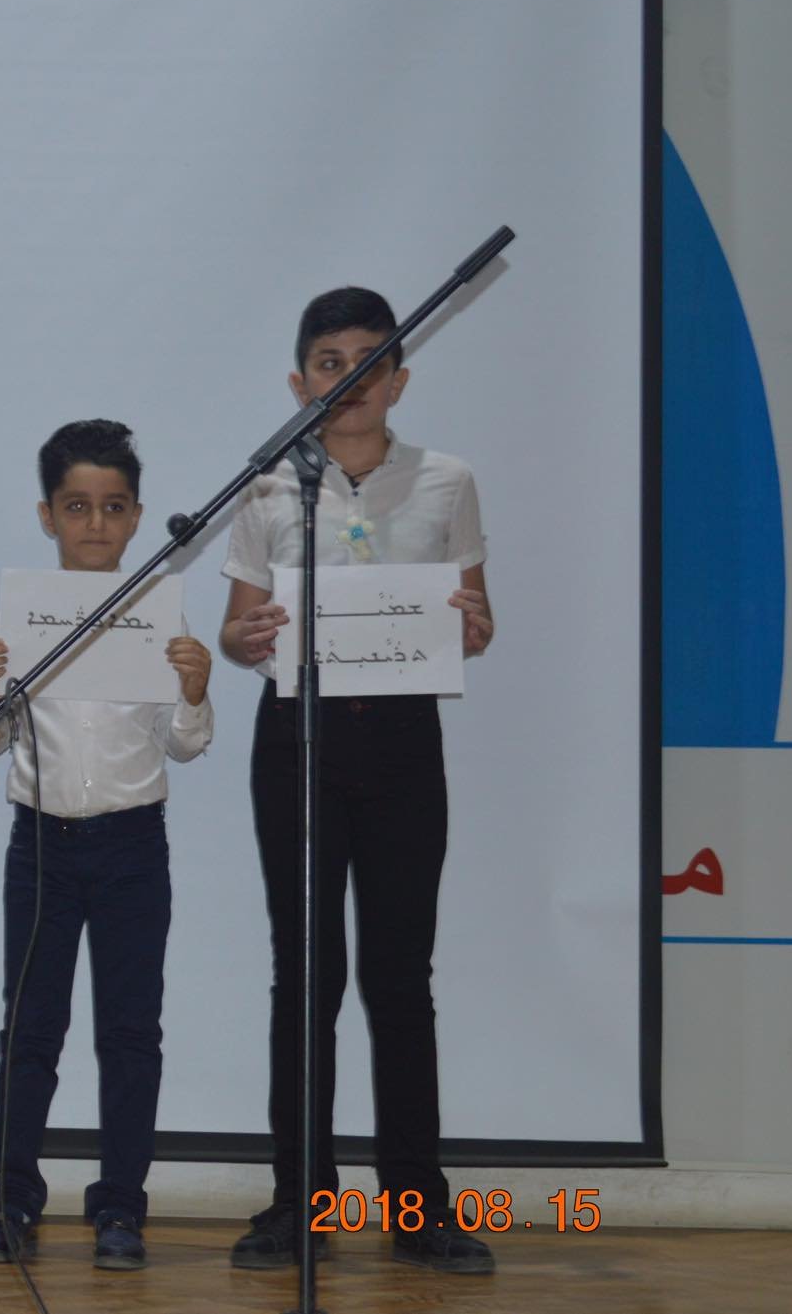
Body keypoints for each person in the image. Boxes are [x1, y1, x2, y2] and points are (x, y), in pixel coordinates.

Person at [216, 287, 496, 1274]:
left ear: (398, 380)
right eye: (329, 362)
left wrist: (470, 626)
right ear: (300, 382)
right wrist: (246, 636)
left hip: (403, 742)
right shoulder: (265, 487)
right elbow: (237, 627)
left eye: (369, 361)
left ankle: (417, 1205)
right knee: (305, 974)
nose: (350, 379)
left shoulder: (446, 480)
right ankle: (303, 1200)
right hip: (297, 740)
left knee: (399, 975)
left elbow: (477, 617)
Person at [0, 421, 212, 1271]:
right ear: (47, 516)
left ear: (136, 515)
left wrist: (194, 690)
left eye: (112, 507)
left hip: (134, 843)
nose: (95, 524)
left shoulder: (159, 614)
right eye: (76, 507)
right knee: (31, 1028)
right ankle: (13, 1199)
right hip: (42, 844)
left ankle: (121, 1207)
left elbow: (184, 744)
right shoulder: (25, 614)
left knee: (131, 1032)